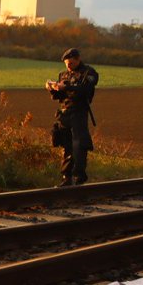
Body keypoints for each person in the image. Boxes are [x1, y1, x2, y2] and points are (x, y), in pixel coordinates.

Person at [46, 48, 99, 187]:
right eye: (66, 64)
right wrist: (53, 88)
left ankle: (79, 176)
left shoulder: (88, 72)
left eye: (70, 63)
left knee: (79, 145)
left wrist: (67, 87)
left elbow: (84, 89)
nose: (68, 66)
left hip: (79, 112)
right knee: (66, 145)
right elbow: (58, 96)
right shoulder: (63, 74)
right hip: (64, 113)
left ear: (77, 59)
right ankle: (66, 176)